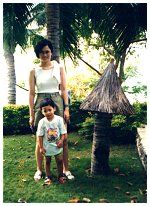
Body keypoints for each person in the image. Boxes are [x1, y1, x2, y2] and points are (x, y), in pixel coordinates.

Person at [29, 38, 74, 181]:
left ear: (51, 52)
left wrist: (66, 108)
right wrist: (31, 114)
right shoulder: (33, 70)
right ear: (38, 54)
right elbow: (31, 93)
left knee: (64, 137)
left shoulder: (58, 67)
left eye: (47, 52)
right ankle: (39, 170)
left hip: (57, 102)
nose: (45, 55)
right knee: (39, 138)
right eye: (42, 52)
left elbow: (64, 89)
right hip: (40, 103)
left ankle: (66, 169)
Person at [37, 98, 66, 184]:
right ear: (42, 112)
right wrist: (41, 147)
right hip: (47, 147)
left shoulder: (59, 119)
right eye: (45, 111)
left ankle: (61, 175)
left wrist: (61, 140)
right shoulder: (42, 122)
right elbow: (40, 136)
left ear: (54, 109)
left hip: (57, 146)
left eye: (50, 110)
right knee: (47, 161)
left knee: (60, 160)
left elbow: (63, 133)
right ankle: (48, 176)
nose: (48, 112)